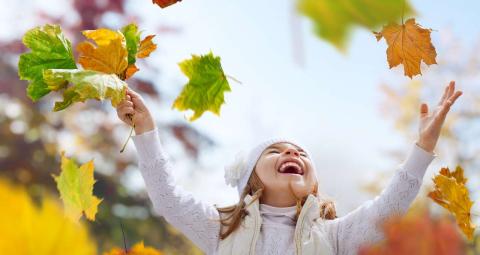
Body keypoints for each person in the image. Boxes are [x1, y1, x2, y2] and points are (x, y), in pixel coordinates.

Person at [116, 81, 462, 255]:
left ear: (314, 185)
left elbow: (389, 207)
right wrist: (146, 131)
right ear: (251, 177)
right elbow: (167, 198)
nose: (292, 153)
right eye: (275, 151)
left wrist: (423, 149)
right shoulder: (219, 230)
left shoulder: (336, 236)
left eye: (301, 152)